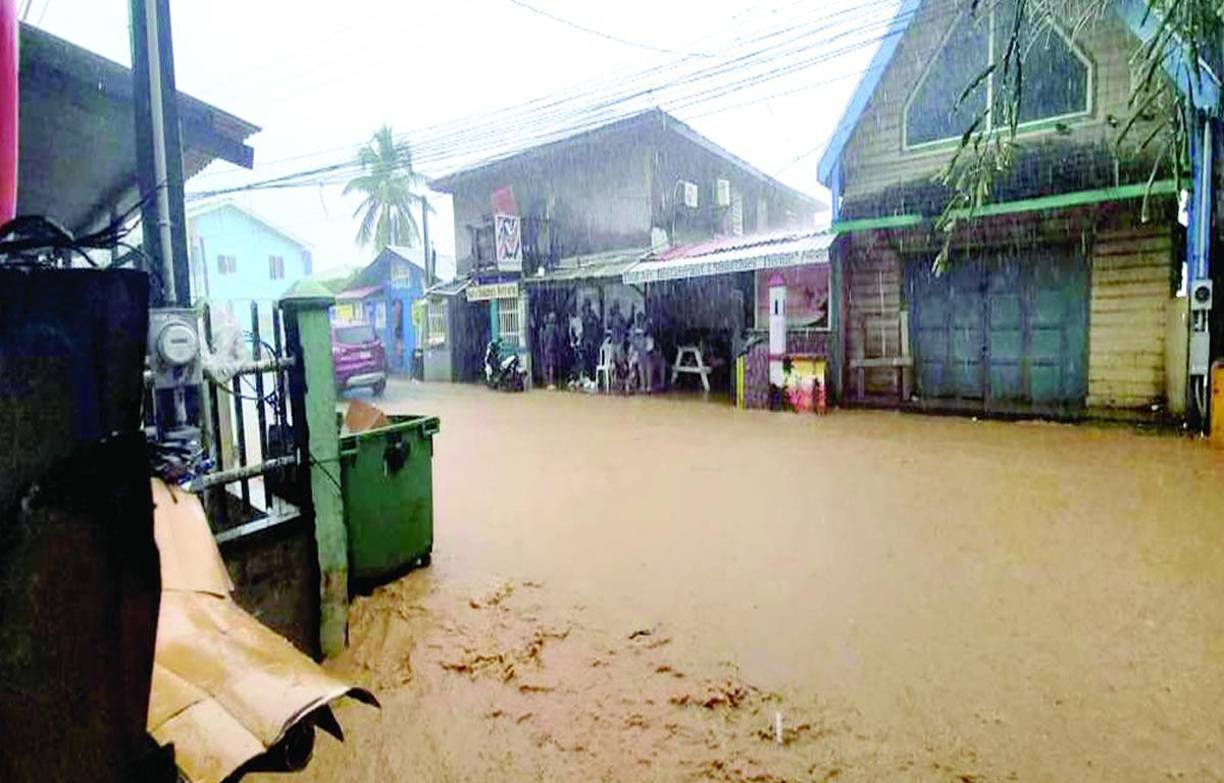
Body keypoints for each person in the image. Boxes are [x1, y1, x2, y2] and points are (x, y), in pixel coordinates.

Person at [580, 298, 601, 378]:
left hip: (592, 341)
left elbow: (596, 328)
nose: (586, 308)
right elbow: (583, 329)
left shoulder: (593, 316)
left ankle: (593, 376)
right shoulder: (584, 316)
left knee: (592, 359)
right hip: (586, 341)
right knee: (586, 359)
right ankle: (587, 375)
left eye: (587, 305)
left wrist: (593, 339)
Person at [541, 311, 560, 389]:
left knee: (547, 365)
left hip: (546, 349)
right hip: (552, 349)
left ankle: (547, 382)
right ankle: (551, 382)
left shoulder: (546, 328)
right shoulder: (555, 328)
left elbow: (544, 339)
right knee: (551, 366)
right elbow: (558, 338)